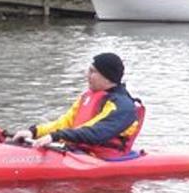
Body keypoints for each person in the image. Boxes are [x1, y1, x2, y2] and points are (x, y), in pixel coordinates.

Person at [9, 52, 143, 159]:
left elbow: (96, 133)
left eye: (93, 72)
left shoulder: (123, 107)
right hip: (79, 151)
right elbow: (64, 123)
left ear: (108, 78)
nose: (87, 75)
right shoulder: (88, 97)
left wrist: (55, 137)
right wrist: (34, 132)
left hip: (104, 158)